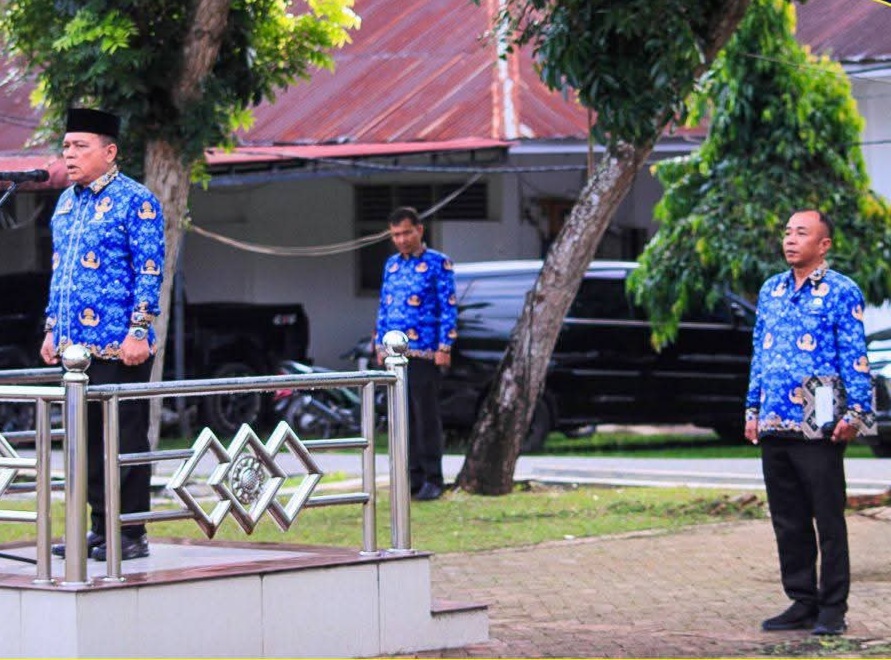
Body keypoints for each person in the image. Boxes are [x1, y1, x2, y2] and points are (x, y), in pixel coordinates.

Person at [42, 108, 165, 561]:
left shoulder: (138, 200)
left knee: (126, 439)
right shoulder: (67, 202)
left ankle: (131, 533)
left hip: (121, 346)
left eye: (80, 146)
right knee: (86, 443)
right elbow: (59, 273)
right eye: (67, 146)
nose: (69, 154)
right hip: (75, 351)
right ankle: (99, 528)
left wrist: (139, 331)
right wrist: (52, 327)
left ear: (109, 152)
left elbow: (150, 270)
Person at [745, 209, 873, 636]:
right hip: (775, 419)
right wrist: (751, 410)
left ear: (824, 245)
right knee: (787, 518)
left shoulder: (842, 291)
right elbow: (760, 355)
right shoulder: (771, 290)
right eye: (787, 232)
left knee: (827, 517)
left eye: (802, 232)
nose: (790, 239)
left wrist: (857, 414)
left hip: (819, 421)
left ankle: (833, 608)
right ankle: (802, 601)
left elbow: (856, 356)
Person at [375, 207, 457, 501]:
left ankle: (434, 479)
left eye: (406, 233)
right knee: (401, 419)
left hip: (424, 353)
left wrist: (444, 346)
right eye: (396, 235)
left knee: (426, 419)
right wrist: (379, 344)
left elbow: (448, 307)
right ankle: (410, 480)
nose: (401, 239)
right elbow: (384, 306)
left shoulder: (438, 263)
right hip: (394, 356)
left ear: (419, 230)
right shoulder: (392, 266)